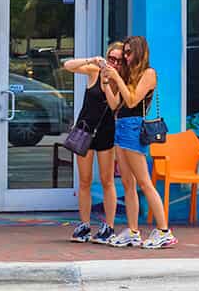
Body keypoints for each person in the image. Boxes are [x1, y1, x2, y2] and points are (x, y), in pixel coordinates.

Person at [101, 35, 177, 250]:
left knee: (144, 182)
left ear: (139, 52)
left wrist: (117, 77)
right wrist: (108, 82)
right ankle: (133, 231)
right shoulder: (129, 75)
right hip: (121, 125)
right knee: (127, 183)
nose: (125, 57)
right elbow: (116, 104)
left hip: (134, 127)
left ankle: (164, 231)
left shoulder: (148, 73)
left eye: (128, 52)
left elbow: (133, 100)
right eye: (123, 52)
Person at [62, 42, 123, 244]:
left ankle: (109, 226)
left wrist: (109, 81)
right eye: (111, 58)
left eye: (118, 60)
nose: (114, 63)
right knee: (85, 180)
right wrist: (92, 60)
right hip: (85, 129)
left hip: (106, 132)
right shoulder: (95, 71)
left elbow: (115, 105)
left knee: (107, 181)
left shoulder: (121, 80)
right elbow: (68, 65)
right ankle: (84, 225)